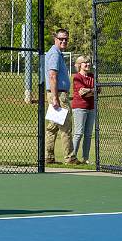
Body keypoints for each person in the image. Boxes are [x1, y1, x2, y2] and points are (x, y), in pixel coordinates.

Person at [45, 28, 77, 165]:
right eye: (61, 39)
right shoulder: (55, 54)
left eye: (66, 39)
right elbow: (52, 76)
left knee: (53, 127)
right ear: (55, 39)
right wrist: (55, 97)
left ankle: (48, 156)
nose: (64, 41)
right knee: (66, 126)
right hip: (59, 94)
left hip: (56, 94)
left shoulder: (57, 53)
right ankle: (69, 157)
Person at [71, 55, 96, 164]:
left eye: (89, 62)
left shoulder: (92, 76)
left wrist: (89, 91)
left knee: (88, 134)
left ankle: (85, 158)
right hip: (79, 107)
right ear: (79, 65)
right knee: (78, 133)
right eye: (85, 62)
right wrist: (92, 91)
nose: (88, 64)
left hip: (91, 108)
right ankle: (72, 157)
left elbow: (99, 89)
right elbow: (82, 93)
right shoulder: (77, 77)